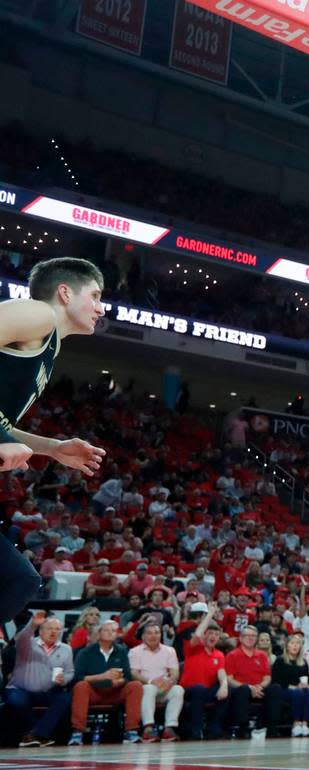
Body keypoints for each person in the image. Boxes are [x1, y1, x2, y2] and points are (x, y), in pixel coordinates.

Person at [0, 259, 107, 622]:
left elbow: (2, 424)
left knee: (17, 580)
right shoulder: (37, 315)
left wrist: (53, 448)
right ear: (65, 292)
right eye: (95, 295)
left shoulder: (49, 345)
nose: (101, 307)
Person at [70, 620, 144, 745]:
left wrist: (120, 681)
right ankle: (78, 732)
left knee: (135, 685)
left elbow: (127, 676)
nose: (110, 633)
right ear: (99, 633)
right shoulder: (85, 653)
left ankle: (132, 731)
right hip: (94, 692)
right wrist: (102, 676)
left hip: (115, 691)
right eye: (106, 630)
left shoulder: (121, 651)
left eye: (113, 631)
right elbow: (78, 677)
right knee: (81, 686)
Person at [6, 613, 74, 747]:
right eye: (50, 628)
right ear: (41, 630)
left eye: (57, 629)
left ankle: (34, 734)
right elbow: (21, 638)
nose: (54, 631)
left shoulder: (66, 649)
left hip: (47, 691)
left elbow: (69, 671)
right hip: (20, 689)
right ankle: (38, 733)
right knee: (16, 700)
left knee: (65, 698)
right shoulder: (28, 645)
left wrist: (64, 679)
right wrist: (32, 625)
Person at [180, 607, 230, 741]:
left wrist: (224, 686)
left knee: (225, 691)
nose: (213, 636)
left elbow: (221, 672)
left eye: (216, 634)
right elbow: (197, 635)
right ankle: (195, 730)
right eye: (210, 633)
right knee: (199, 689)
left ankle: (214, 728)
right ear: (204, 635)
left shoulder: (219, 654)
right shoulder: (193, 648)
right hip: (189, 689)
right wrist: (210, 614)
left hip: (206, 690)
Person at [128, 622, 184, 742]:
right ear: (143, 637)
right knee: (149, 688)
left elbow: (175, 672)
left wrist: (170, 681)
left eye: (157, 633)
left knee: (178, 689)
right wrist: (151, 681)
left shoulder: (169, 650)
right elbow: (134, 673)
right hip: (145, 687)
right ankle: (148, 729)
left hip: (164, 687)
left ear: (161, 635)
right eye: (149, 633)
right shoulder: (135, 651)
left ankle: (169, 728)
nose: (153, 636)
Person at [224, 625, 279, 738]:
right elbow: (229, 679)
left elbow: (267, 677)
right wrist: (249, 687)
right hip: (240, 690)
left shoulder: (262, 655)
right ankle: (243, 728)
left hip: (259, 688)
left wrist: (258, 687)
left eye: (253, 636)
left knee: (275, 688)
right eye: (247, 636)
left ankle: (271, 728)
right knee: (243, 690)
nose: (250, 638)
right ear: (241, 638)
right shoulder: (232, 655)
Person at [270, 632, 309, 737]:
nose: (295, 645)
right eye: (292, 643)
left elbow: (307, 678)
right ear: (287, 646)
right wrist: (294, 687)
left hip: (300, 688)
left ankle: (304, 724)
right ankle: (296, 724)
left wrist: (307, 685)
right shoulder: (280, 660)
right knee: (298, 693)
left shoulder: (303, 662)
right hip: (284, 689)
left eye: (297, 643)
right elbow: (276, 681)